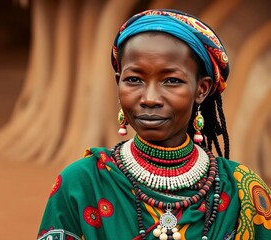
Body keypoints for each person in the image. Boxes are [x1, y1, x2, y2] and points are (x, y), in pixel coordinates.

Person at [37, 9, 271, 240]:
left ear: (202, 89)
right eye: (134, 80)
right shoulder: (82, 184)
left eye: (171, 81)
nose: (149, 98)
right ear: (119, 84)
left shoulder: (242, 189)